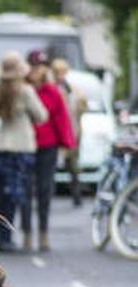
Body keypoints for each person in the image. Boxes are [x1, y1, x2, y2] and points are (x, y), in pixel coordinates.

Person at [0, 51, 48, 253]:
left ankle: (2, 236)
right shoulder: (25, 91)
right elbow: (42, 115)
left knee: (3, 194)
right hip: (22, 146)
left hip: (2, 145)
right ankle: (10, 237)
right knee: (17, 193)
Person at [23, 50, 75, 252]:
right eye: (34, 66)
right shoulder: (23, 89)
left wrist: (67, 143)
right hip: (25, 146)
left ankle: (43, 232)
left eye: (41, 66)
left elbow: (61, 119)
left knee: (45, 190)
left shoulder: (52, 91)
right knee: (25, 190)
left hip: (48, 146)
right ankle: (27, 232)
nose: (37, 70)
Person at [51, 58, 88, 207]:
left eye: (63, 72)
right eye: (58, 72)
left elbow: (82, 106)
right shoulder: (51, 88)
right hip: (55, 133)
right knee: (51, 165)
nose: (61, 75)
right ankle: (47, 195)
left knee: (73, 165)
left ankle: (77, 194)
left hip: (72, 131)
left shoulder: (72, 88)